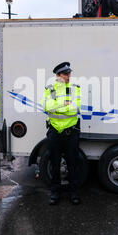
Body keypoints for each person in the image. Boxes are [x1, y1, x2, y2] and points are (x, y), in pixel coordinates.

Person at [41, 62, 82, 206]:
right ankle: (55, 192)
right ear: (58, 75)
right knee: (55, 162)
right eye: (65, 74)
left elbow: (75, 108)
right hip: (54, 131)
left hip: (71, 132)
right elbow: (47, 107)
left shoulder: (74, 88)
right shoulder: (51, 88)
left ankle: (74, 192)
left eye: (69, 73)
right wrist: (64, 104)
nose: (69, 76)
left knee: (72, 163)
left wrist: (57, 106)